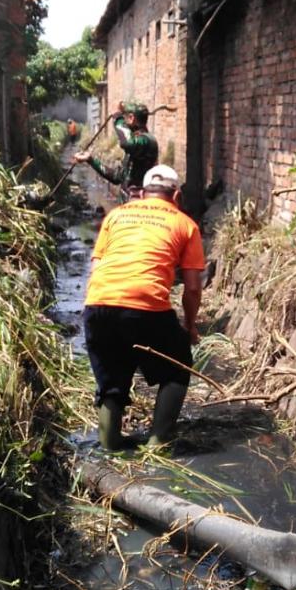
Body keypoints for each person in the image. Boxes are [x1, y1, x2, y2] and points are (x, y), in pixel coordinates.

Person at [83, 164, 204, 450]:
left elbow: (96, 268)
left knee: (112, 379)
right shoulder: (185, 224)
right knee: (177, 367)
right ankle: (158, 443)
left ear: (142, 193)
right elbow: (193, 287)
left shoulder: (116, 215)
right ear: (176, 196)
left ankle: (110, 446)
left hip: (98, 304)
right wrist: (189, 326)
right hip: (146, 305)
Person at [72, 101, 159, 201]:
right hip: (127, 204)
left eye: (125, 118)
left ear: (131, 118)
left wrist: (118, 119)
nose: (124, 122)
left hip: (140, 204)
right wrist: (90, 160)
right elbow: (117, 177)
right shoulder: (135, 145)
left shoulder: (147, 141)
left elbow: (127, 143)